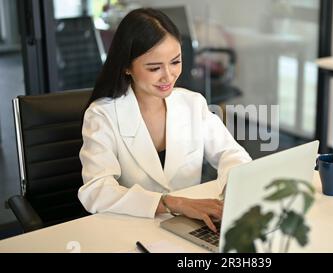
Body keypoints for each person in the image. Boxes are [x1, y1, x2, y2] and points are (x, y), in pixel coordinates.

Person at [78, 8, 251, 232]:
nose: (168, 76)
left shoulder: (192, 103)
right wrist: (171, 203)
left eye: (175, 62)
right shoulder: (102, 115)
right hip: (131, 229)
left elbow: (231, 153)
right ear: (127, 67)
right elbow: (96, 190)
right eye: (154, 67)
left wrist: (231, 190)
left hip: (191, 227)